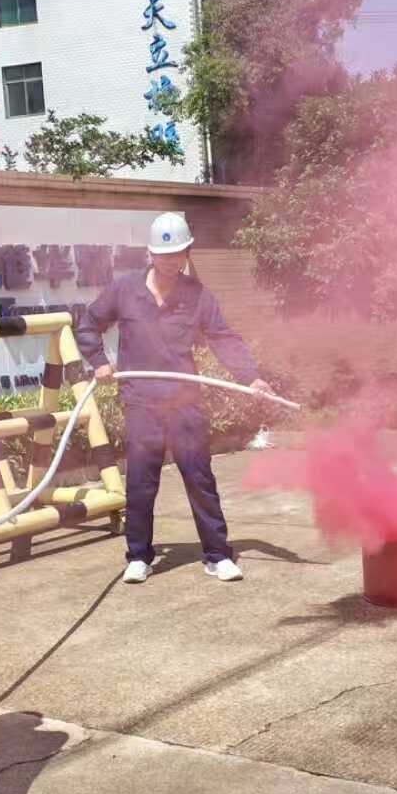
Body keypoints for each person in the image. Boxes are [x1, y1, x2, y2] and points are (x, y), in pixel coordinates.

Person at [74, 211, 273, 586]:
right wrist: (99, 362)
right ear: (150, 254)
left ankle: (217, 555)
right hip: (141, 403)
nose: (171, 260)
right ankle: (138, 556)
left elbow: (223, 338)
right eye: (164, 254)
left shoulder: (197, 296)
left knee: (200, 478)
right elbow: (89, 324)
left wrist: (252, 377)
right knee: (140, 482)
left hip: (184, 404)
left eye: (178, 253)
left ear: (187, 253)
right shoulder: (124, 290)